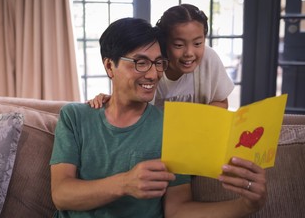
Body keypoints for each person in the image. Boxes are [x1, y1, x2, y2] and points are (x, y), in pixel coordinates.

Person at [50, 17, 267, 218]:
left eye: (158, 63)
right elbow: (61, 194)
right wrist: (125, 183)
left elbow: (178, 210)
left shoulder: (171, 127)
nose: (153, 74)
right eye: (141, 62)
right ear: (109, 66)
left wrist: (246, 206)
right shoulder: (75, 117)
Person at [88, 4, 234, 110]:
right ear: (163, 43)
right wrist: (109, 101)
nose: (189, 52)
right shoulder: (152, 66)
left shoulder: (208, 58)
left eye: (198, 43)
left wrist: (192, 125)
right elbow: (130, 102)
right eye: (178, 45)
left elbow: (220, 101)